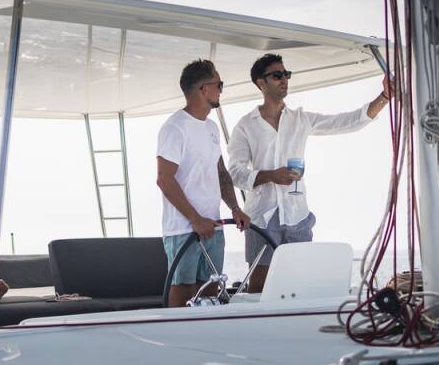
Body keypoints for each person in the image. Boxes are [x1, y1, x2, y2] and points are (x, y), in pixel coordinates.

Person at [227, 53, 391, 291]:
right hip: (262, 218)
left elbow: (348, 121)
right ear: (261, 83)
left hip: (297, 215)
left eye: (286, 74)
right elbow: (235, 172)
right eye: (277, 75)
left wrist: (384, 97)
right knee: (260, 287)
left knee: (300, 285)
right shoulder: (245, 126)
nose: (284, 79)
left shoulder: (300, 119)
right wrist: (272, 175)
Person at [156, 59, 250, 307]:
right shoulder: (175, 128)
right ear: (204, 89)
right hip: (183, 229)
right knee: (183, 293)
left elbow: (220, 173)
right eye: (219, 85)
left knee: (210, 292)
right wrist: (195, 219)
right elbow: (164, 179)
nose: (221, 90)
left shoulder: (212, 128)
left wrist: (235, 208)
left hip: (213, 226)